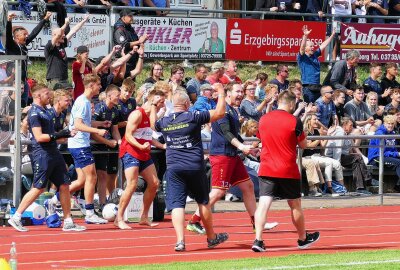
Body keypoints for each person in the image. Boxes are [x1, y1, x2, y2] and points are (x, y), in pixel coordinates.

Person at [154, 84, 229, 251]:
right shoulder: (192, 116)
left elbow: (154, 125)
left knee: (177, 205)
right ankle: (211, 237)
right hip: (194, 166)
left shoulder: (165, 121)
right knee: (203, 202)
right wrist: (222, 94)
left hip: (174, 167)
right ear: (187, 104)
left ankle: (180, 241)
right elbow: (220, 113)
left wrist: (153, 105)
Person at [187, 83, 265, 235]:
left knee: (248, 187)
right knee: (217, 192)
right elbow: (226, 133)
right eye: (238, 91)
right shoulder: (222, 110)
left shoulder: (233, 111)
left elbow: (235, 135)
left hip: (232, 155)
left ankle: (257, 222)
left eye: (242, 91)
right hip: (222, 155)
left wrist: (249, 150)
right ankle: (194, 220)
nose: (241, 94)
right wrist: (242, 148)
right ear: (228, 93)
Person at [8, 84, 85, 232]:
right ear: (38, 96)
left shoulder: (45, 111)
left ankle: (68, 221)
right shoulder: (35, 113)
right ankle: (16, 217)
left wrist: (65, 134)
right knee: (39, 188)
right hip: (42, 154)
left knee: (64, 185)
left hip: (54, 153)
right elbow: (39, 137)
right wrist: (62, 134)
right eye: (46, 94)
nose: (49, 96)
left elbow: (53, 134)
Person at [252, 90, 320, 252]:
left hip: (267, 167)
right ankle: (302, 238)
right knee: (295, 205)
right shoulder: (294, 121)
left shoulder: (263, 119)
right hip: (287, 169)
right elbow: (303, 145)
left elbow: (260, 138)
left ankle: (258, 239)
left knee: (263, 205)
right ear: (291, 104)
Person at [115, 89, 166, 229]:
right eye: (160, 102)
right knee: (132, 184)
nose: (163, 104)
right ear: (152, 101)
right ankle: (118, 218)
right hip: (131, 151)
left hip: (143, 153)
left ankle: (144, 217)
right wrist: (140, 146)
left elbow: (149, 134)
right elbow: (129, 135)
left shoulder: (152, 117)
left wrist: (162, 145)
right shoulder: (137, 114)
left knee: (155, 183)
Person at [66, 74, 109, 224]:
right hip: (79, 145)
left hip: (78, 144)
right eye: (98, 84)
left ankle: (55, 199)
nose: (100, 87)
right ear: (91, 85)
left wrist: (100, 124)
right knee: (92, 177)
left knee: (82, 180)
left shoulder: (85, 101)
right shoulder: (83, 102)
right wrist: (97, 131)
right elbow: (78, 125)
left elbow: (86, 122)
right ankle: (90, 212)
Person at [6, 11, 52, 106]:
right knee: (14, 104)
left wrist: (45, 19)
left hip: (24, 81)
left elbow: (34, 33)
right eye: (24, 34)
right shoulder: (12, 46)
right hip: (14, 81)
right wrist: (9, 21)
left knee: (23, 104)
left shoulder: (24, 45)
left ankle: (22, 118)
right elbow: (8, 35)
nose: (27, 36)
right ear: (17, 37)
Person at [45, 15, 90, 89]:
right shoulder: (49, 47)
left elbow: (73, 31)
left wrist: (84, 20)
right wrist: (66, 23)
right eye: (62, 34)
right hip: (55, 81)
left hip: (64, 80)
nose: (64, 35)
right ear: (54, 35)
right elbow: (59, 33)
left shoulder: (61, 44)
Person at [298, 25, 335, 103]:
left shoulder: (315, 54)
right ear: (306, 48)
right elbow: (302, 48)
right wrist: (305, 36)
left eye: (313, 46)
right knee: (310, 107)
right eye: (311, 46)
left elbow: (323, 45)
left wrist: (332, 35)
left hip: (317, 86)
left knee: (318, 107)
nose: (313, 47)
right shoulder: (302, 57)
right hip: (308, 87)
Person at [368, 115, 400, 193]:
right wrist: (397, 154)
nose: (390, 125)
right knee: (399, 163)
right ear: (384, 123)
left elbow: (393, 149)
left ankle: (397, 187)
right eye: (388, 123)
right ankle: (397, 187)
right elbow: (382, 152)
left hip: (387, 157)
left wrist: (396, 153)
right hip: (376, 158)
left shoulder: (392, 133)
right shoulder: (380, 133)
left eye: (392, 124)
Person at [113, 9, 148, 79]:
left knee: (130, 85)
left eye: (132, 15)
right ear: (123, 18)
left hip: (131, 61)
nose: (132, 17)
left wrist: (141, 41)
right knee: (123, 84)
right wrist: (139, 41)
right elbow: (124, 45)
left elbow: (135, 42)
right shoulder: (119, 29)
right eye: (129, 16)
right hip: (124, 62)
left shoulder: (129, 28)